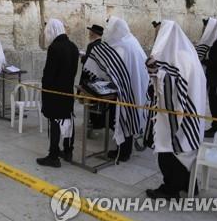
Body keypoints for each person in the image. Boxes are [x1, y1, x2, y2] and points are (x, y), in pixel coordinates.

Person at [144, 21, 205, 199]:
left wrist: (155, 72)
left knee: (168, 149)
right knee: (185, 150)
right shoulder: (187, 54)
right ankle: (187, 183)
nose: (157, 38)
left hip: (177, 115)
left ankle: (170, 189)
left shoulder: (178, 58)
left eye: (158, 34)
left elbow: (173, 82)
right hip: (190, 114)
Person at [82, 16, 149, 162]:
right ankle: (125, 149)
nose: (108, 33)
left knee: (121, 117)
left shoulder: (123, 46)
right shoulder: (132, 41)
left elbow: (113, 66)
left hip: (126, 91)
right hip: (136, 87)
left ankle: (123, 152)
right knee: (129, 117)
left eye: (110, 30)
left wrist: (95, 53)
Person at [37, 19, 79, 168]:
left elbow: (49, 73)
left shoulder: (54, 48)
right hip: (67, 91)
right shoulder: (73, 47)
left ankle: (53, 156)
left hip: (54, 93)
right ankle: (68, 151)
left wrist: (45, 89)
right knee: (68, 120)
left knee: (54, 123)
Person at [79, 24, 110, 130]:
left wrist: (83, 58)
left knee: (90, 103)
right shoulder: (103, 45)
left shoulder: (92, 46)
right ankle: (98, 122)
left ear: (93, 33)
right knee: (98, 103)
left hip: (90, 78)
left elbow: (88, 63)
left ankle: (92, 123)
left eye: (90, 32)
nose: (89, 33)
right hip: (99, 77)